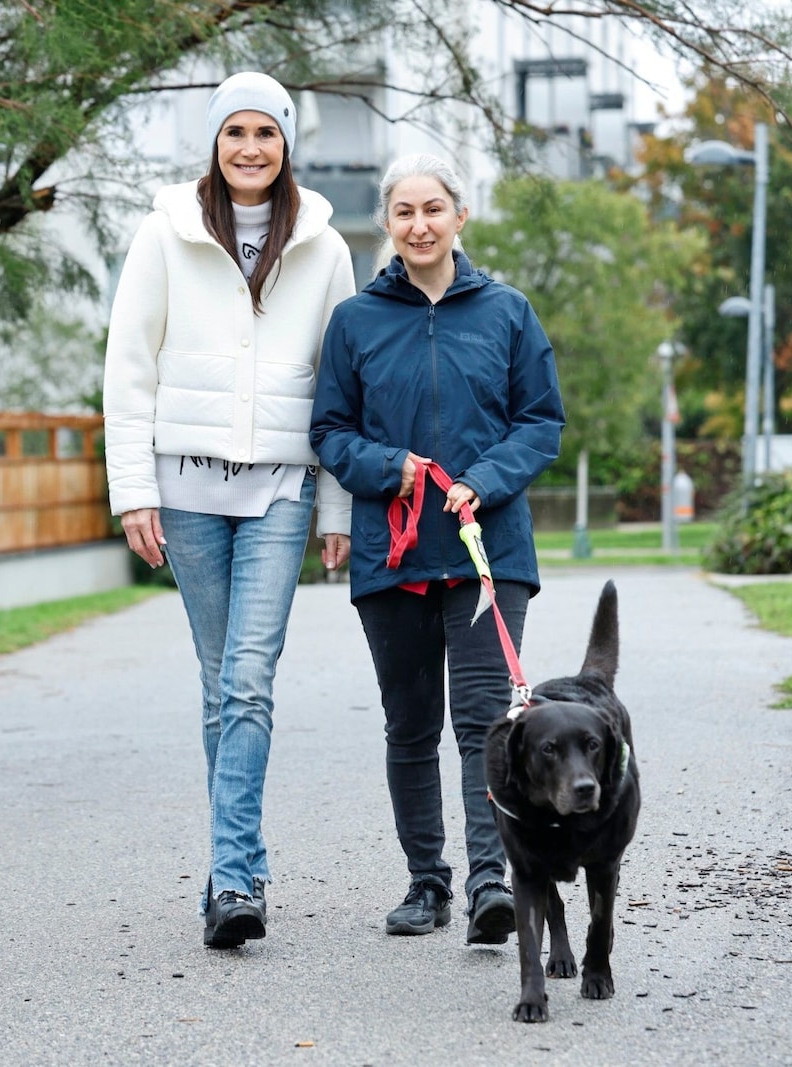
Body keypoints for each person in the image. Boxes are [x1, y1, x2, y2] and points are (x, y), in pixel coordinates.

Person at [103, 71, 355, 949]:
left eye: (268, 133)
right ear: (214, 142)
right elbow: (129, 366)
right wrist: (133, 488)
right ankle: (233, 867)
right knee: (221, 687)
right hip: (186, 489)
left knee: (247, 681)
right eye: (235, 132)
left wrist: (336, 507)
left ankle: (233, 878)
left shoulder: (324, 244)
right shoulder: (164, 233)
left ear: (287, 146)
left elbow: (338, 388)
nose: (251, 147)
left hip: (281, 487)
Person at [310, 154, 565, 943]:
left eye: (433, 209)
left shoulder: (508, 311)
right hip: (394, 553)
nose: (419, 225)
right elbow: (329, 431)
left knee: (487, 722)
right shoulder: (356, 321)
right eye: (403, 212)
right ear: (387, 223)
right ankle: (427, 883)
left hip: (491, 552)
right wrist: (393, 468)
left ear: (459, 215)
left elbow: (540, 421)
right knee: (411, 723)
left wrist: (482, 481)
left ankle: (493, 881)